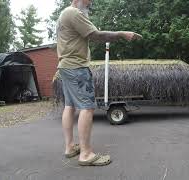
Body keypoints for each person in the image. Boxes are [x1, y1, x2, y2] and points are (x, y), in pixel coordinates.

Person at [57, 0, 142, 166]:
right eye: (89, 1)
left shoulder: (63, 14)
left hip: (65, 66)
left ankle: (69, 147)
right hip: (77, 67)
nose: (91, 2)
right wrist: (122, 34)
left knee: (70, 105)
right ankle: (86, 154)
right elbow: (96, 35)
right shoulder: (74, 13)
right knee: (87, 107)